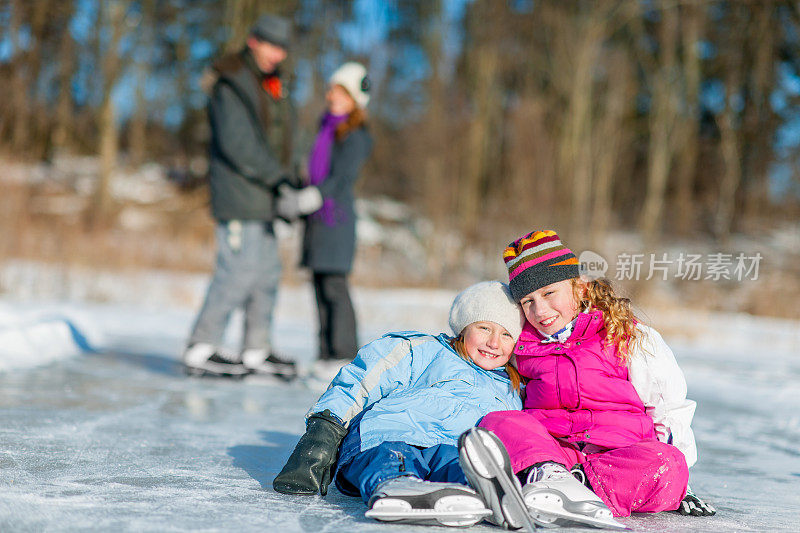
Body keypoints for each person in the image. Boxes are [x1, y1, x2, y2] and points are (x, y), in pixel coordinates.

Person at [458, 229, 715, 530]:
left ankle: (574, 486)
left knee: (667, 462)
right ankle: (550, 479)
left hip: (620, 456)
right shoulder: (521, 343)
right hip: (555, 453)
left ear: (579, 288)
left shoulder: (624, 333)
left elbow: (668, 405)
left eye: (549, 293)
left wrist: (682, 479)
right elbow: (481, 353)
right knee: (498, 422)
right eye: (527, 301)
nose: (539, 310)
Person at [272, 281, 526, 528]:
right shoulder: (427, 351)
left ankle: (478, 493)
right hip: (391, 433)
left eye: (506, 334)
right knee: (392, 454)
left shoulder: (514, 387)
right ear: (463, 328)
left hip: (451, 447)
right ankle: (395, 484)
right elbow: (362, 381)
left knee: (466, 464)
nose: (494, 343)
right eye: (484, 328)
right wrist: (324, 430)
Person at [182, 14, 298, 378]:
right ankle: (201, 348)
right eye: (271, 45)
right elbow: (239, 144)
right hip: (238, 193)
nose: (276, 54)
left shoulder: (270, 85)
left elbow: (279, 140)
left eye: (281, 48)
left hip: (262, 196)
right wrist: (279, 178)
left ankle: (255, 350)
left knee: (266, 274)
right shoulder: (230, 81)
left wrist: (291, 179)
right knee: (236, 273)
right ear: (253, 41)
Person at [277, 62, 373, 380]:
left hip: (336, 220)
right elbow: (309, 170)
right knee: (319, 289)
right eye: (332, 88)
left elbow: (342, 177)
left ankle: (344, 354)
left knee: (335, 288)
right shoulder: (324, 129)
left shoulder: (357, 134)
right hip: (316, 222)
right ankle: (324, 355)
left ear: (354, 98)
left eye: (340, 90)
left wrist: (313, 197)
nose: (331, 94)